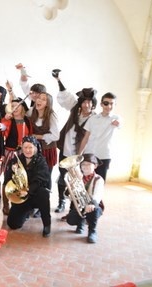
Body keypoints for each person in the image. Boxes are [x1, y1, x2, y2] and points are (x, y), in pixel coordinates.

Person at [54, 74, 98, 213]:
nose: (87, 105)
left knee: (78, 182)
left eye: (90, 102)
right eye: (84, 102)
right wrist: (59, 80)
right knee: (62, 178)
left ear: (93, 104)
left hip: (80, 157)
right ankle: (61, 201)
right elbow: (66, 97)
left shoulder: (95, 119)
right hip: (65, 153)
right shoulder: (75, 113)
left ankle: (77, 208)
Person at [5, 136, 51, 237]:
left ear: (35, 148)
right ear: (22, 148)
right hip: (22, 196)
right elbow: (8, 180)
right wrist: (12, 171)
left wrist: (29, 191)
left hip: (35, 194)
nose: (28, 150)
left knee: (43, 193)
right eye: (25, 147)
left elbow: (40, 180)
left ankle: (47, 224)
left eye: (30, 147)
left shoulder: (41, 161)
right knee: (12, 224)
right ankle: (26, 212)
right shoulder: (16, 160)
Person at [0, 98, 32, 214]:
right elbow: (1, 128)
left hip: (24, 154)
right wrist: (3, 121)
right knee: (7, 178)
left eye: (17, 106)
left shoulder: (27, 121)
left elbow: (31, 137)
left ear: (22, 107)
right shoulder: (8, 120)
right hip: (11, 152)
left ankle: (19, 203)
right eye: (12, 106)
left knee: (22, 179)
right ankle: (5, 205)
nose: (15, 108)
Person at [78, 92, 121, 181]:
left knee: (99, 182)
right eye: (106, 103)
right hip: (89, 155)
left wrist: (118, 123)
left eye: (112, 104)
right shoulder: (93, 119)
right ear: (101, 104)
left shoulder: (116, 118)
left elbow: (120, 123)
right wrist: (79, 155)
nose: (109, 106)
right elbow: (86, 137)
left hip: (104, 156)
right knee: (86, 181)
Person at [66, 153, 104, 243]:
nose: (85, 166)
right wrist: (69, 188)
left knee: (93, 210)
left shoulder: (98, 179)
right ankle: (80, 223)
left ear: (95, 166)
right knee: (70, 220)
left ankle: (92, 231)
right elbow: (70, 196)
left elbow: (98, 195)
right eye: (83, 164)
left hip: (93, 206)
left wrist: (91, 204)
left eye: (89, 164)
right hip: (80, 205)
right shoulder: (77, 178)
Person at [29, 92, 59, 184]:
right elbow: (18, 108)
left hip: (47, 149)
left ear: (48, 103)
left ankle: (45, 196)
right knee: (33, 175)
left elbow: (56, 136)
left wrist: (39, 136)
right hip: (35, 149)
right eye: (38, 98)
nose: (39, 100)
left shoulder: (51, 115)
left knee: (45, 175)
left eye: (43, 99)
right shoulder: (32, 112)